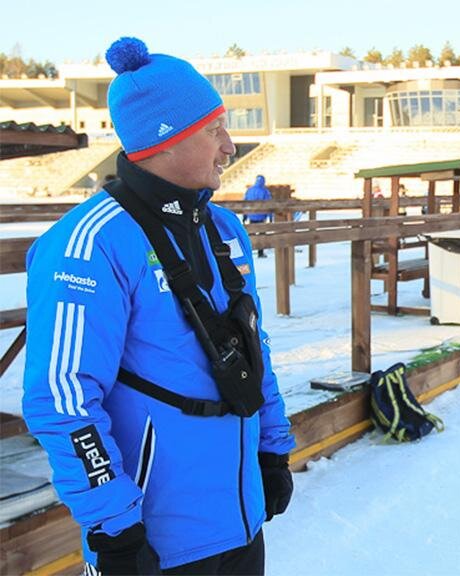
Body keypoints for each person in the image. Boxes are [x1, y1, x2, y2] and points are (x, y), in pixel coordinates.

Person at [22, 37, 295, 575]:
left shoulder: (224, 228)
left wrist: (273, 446)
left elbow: (252, 345)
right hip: (151, 540)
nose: (229, 146)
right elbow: (63, 397)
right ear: (166, 138)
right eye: (214, 129)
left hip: (239, 524)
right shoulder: (89, 243)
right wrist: (113, 524)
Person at [243, 175, 272, 257]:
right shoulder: (265, 191)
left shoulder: (249, 190)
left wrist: (245, 215)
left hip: (251, 215)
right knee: (261, 234)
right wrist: (270, 217)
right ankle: (260, 252)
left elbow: (244, 203)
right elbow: (269, 205)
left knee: (251, 233)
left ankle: (250, 250)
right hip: (261, 216)